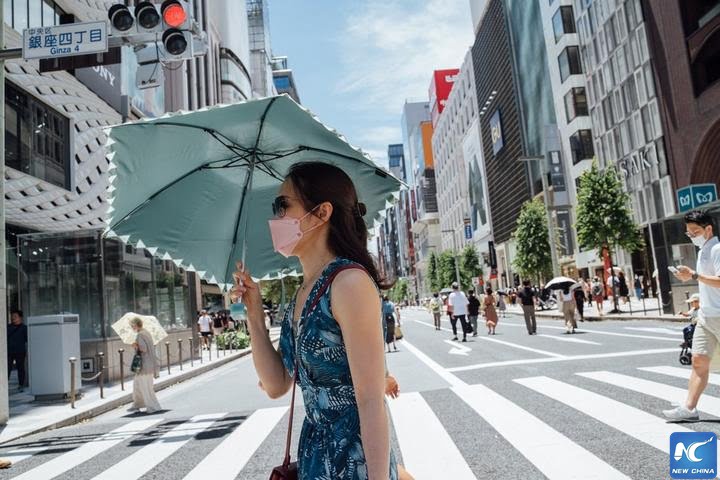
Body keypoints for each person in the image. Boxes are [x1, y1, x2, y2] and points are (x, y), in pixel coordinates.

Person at [231, 162, 403, 479]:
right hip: (314, 458)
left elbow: (370, 400)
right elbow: (276, 385)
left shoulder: (348, 282)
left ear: (322, 213)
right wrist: (254, 317)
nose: (275, 218)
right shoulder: (302, 293)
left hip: (354, 462)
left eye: (283, 205)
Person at [664, 210, 720, 421]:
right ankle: (689, 408)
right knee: (698, 361)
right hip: (706, 316)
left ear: (708, 229)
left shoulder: (717, 249)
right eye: (689, 233)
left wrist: (695, 275)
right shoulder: (703, 250)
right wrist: (688, 276)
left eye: (695, 231)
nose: (692, 236)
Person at [129, 316, 161, 414]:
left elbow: (143, 349)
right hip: (150, 364)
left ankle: (153, 407)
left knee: (145, 387)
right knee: (137, 385)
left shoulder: (140, 335)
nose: (131, 327)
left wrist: (135, 345)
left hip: (144, 365)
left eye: (132, 325)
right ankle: (137, 404)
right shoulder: (146, 333)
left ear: (136, 325)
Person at [7, 310, 27, 391]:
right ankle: (4, 384)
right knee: (7, 368)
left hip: (20, 351)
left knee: (20, 368)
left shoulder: (24, 328)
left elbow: (27, 339)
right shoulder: (8, 327)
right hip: (9, 351)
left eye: (15, 316)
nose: (13, 318)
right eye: (12, 316)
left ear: (20, 318)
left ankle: (21, 384)